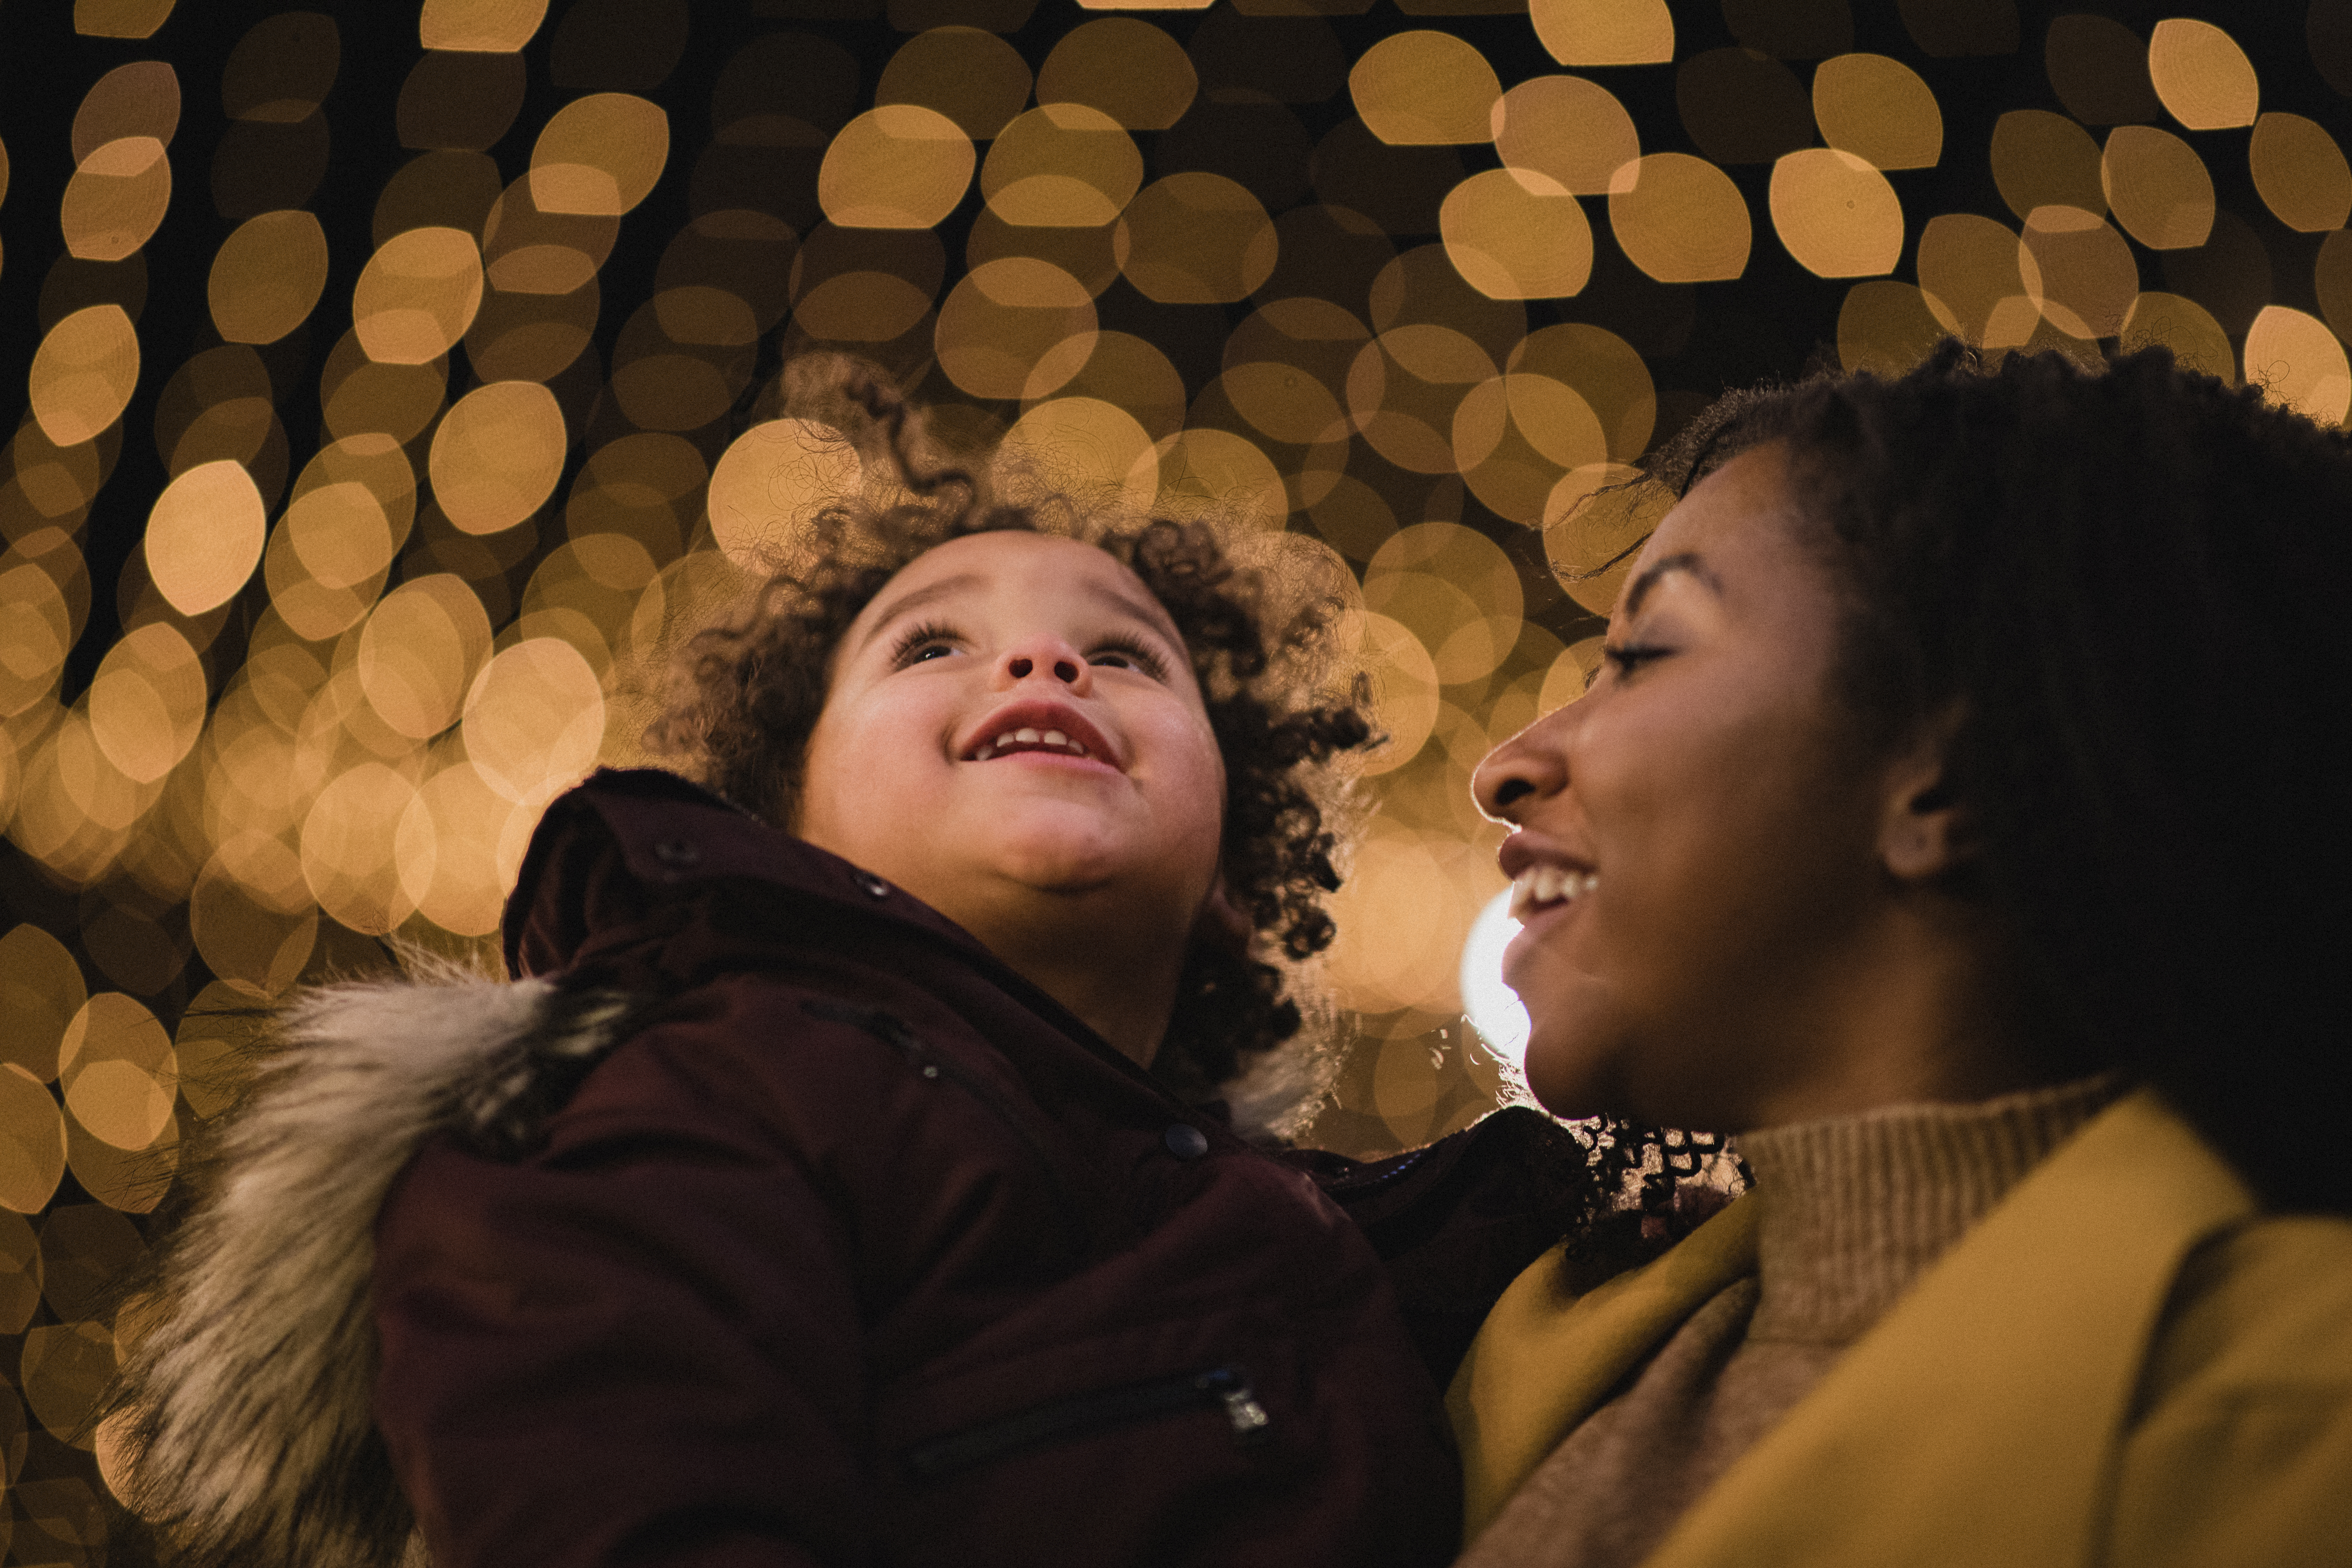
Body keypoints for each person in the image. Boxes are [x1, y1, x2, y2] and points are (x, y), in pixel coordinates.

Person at [106, 374, 1616, 1568]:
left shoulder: (1326, 1237)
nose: (1043, 666)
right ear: (796, 828)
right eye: (929, 647)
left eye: (1128, 656)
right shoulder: (690, 1103)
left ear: (1232, 874)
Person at [1449, 343, 2352, 1567]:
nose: (1502, 769)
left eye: (1646, 653)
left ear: (1955, 774)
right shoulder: (1499, 1372)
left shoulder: (2296, 1422)